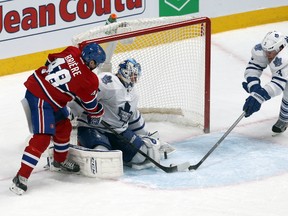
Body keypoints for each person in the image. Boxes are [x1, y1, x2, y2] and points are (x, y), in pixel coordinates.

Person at [10, 42, 106, 195]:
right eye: (96, 64)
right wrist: (99, 111)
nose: (96, 67)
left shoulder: (72, 51)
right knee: (42, 138)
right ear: (91, 61)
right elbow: (90, 106)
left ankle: (59, 161)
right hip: (41, 97)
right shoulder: (90, 80)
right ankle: (21, 177)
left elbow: (49, 60)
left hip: (44, 89)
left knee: (64, 126)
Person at [68, 58, 173, 170]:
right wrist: (69, 113)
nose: (134, 78)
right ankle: (75, 154)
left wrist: (147, 135)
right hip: (92, 128)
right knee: (101, 154)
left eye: (136, 76)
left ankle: (115, 152)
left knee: (140, 156)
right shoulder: (107, 81)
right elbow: (85, 98)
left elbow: (132, 118)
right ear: (124, 72)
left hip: (118, 132)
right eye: (132, 75)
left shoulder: (134, 95)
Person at [242, 31, 288, 133]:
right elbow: (254, 67)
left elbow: (277, 85)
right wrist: (254, 86)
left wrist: (259, 96)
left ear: (280, 49)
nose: (267, 55)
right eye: (265, 51)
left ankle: (284, 119)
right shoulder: (270, 49)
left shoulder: (285, 58)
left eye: (270, 52)